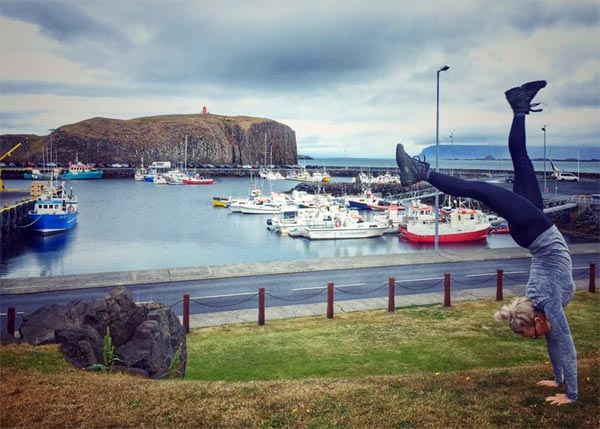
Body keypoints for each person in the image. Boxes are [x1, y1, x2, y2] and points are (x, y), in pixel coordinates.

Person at [395, 80, 577, 405]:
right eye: (530, 334)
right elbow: (563, 343)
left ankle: (421, 171)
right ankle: (517, 108)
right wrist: (567, 391)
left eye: (529, 334)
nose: (535, 338)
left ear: (535, 320)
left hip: (534, 231)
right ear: (537, 321)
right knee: (514, 166)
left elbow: (557, 341)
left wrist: (563, 385)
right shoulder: (547, 306)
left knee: (485, 186)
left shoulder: (544, 303)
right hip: (536, 231)